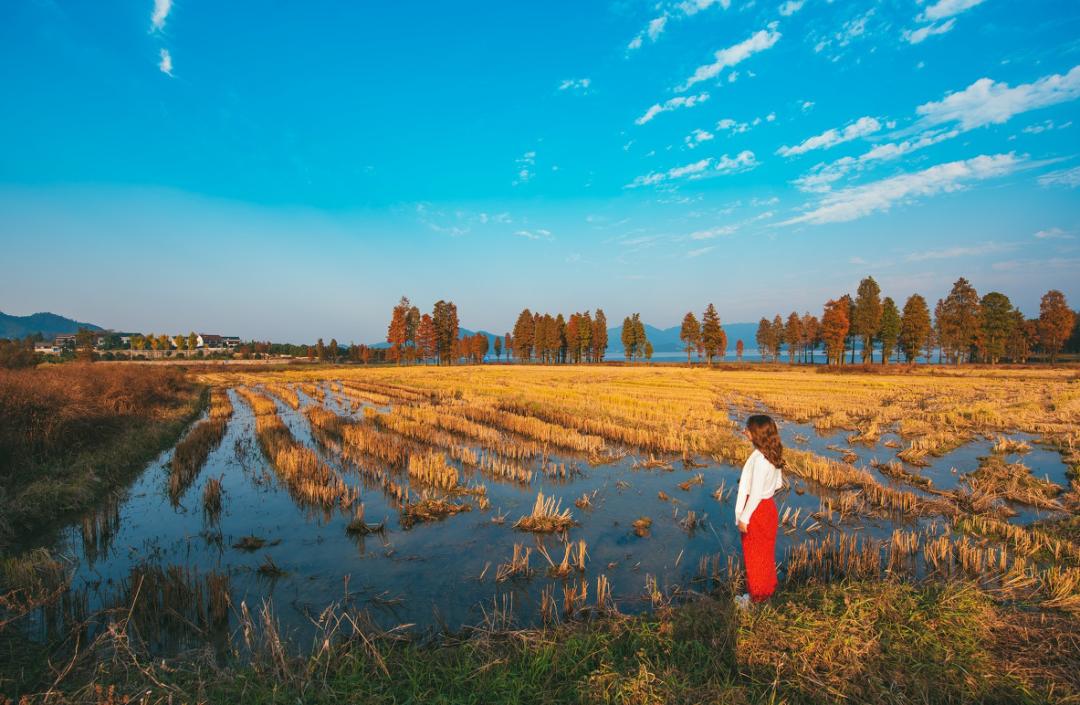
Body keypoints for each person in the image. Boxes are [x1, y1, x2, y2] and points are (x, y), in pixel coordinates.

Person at [734, 414, 784, 607]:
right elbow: (778, 483)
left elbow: (754, 494)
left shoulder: (761, 460)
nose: (744, 431)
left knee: (754, 558)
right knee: (765, 554)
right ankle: (766, 591)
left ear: (756, 434)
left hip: (756, 511)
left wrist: (744, 518)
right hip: (768, 507)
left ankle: (756, 600)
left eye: (747, 429)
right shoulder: (771, 452)